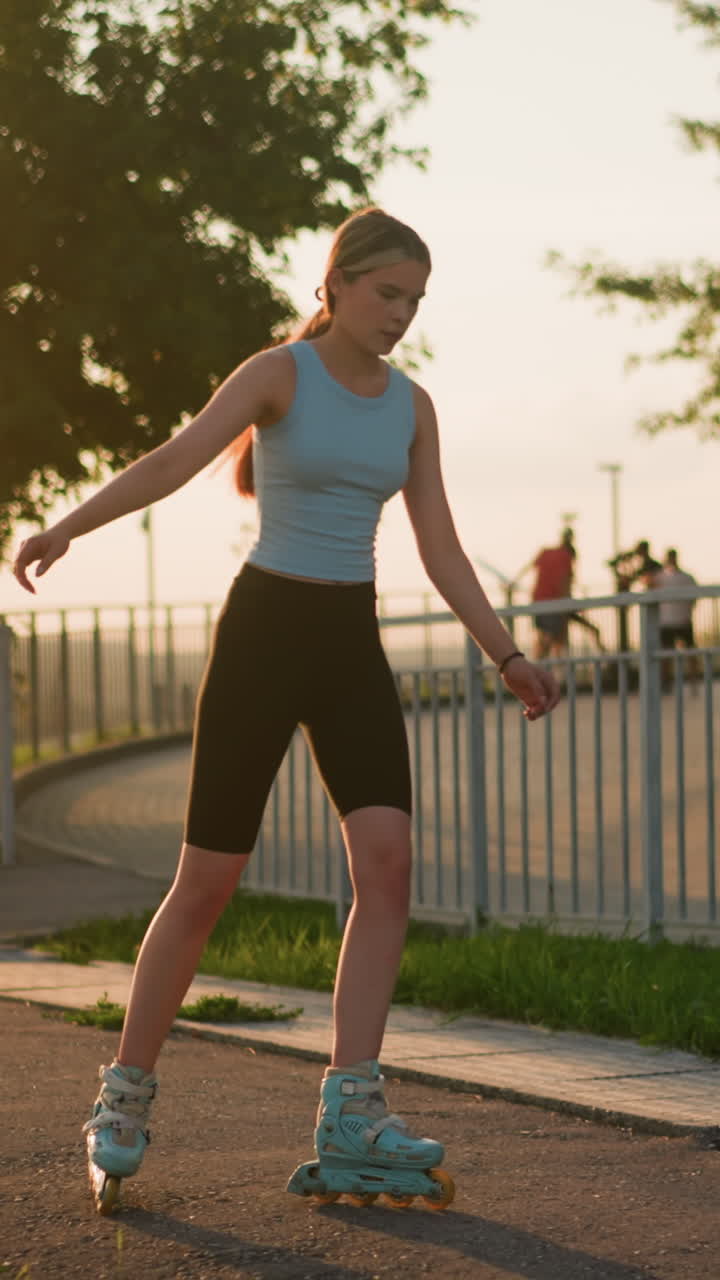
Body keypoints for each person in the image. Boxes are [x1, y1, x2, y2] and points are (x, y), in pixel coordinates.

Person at [12, 207, 561, 1214]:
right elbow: (174, 459)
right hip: (264, 633)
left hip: (349, 642)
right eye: (386, 293)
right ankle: (123, 1098)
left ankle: (352, 1108)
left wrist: (508, 653)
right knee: (208, 879)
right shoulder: (280, 374)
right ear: (336, 284)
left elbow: (440, 545)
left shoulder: (413, 407)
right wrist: (68, 526)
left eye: (415, 300)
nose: (400, 315)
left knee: (387, 864)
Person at [516, 528, 575, 659]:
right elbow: (564, 580)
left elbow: (528, 567)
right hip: (554, 602)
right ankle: (549, 665)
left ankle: (540, 663)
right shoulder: (566, 555)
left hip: (537, 600)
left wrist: (513, 582)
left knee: (543, 636)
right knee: (554, 638)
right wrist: (567, 602)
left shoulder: (546, 552)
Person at [655, 548, 700, 688]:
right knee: (666, 655)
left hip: (682, 620)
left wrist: (688, 612)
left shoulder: (687, 577)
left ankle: (694, 681)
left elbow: (694, 598)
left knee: (690, 653)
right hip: (667, 621)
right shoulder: (661, 577)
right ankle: (666, 682)